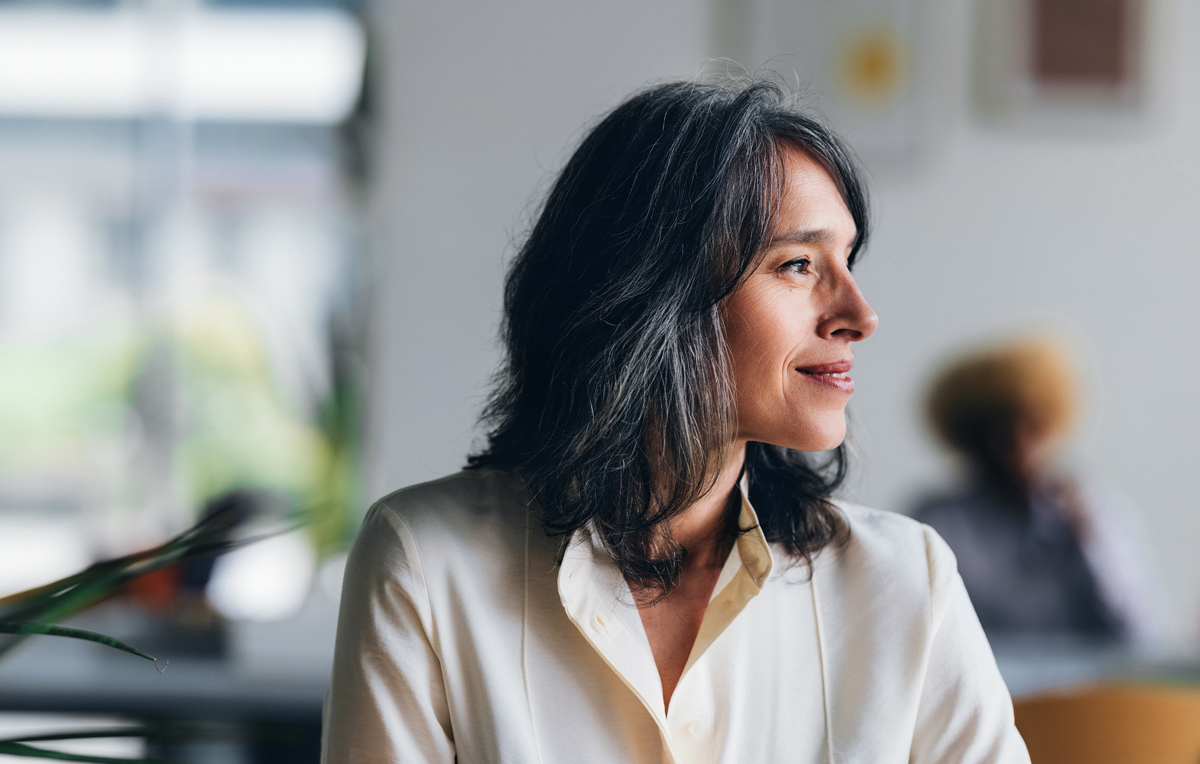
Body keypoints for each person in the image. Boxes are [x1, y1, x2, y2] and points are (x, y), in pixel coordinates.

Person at [322, 80, 1030, 763]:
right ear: (653, 293)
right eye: (797, 265)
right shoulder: (424, 564)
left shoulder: (907, 581)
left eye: (846, 260)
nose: (859, 316)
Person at [910, 335, 1160, 645]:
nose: (1015, 443)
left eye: (1029, 425)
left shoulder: (1096, 512)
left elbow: (1137, 633)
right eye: (996, 427)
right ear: (972, 436)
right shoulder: (940, 521)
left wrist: (1087, 540)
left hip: (1084, 688)